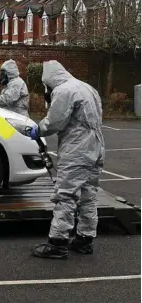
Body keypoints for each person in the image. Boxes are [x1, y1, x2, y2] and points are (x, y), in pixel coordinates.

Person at [27, 60, 105, 259]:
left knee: (66, 195)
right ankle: (84, 240)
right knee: (88, 194)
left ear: (49, 80)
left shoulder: (64, 91)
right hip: (96, 146)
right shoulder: (87, 87)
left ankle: (58, 243)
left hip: (77, 148)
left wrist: (38, 130)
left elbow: (55, 121)